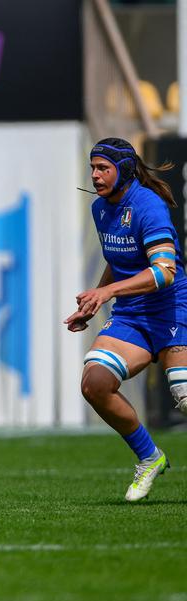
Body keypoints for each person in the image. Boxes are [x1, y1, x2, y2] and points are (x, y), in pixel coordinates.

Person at [64, 137, 183, 501]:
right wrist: (96, 301)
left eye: (103, 168)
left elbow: (164, 271)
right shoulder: (101, 209)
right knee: (94, 383)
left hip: (172, 307)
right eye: (93, 168)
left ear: (125, 171)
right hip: (133, 314)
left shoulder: (149, 205)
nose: (96, 175)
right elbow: (118, 262)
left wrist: (107, 293)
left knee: (184, 394)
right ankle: (150, 457)